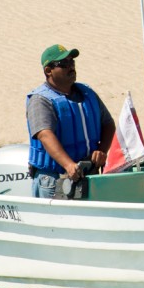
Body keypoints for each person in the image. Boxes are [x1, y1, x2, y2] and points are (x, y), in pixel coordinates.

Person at [27, 44, 116, 199]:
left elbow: (108, 123)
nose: (71, 67)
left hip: (89, 176)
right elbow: (45, 134)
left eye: (72, 63)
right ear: (48, 71)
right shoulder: (41, 100)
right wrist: (68, 165)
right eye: (64, 64)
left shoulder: (87, 93)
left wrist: (102, 150)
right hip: (54, 180)